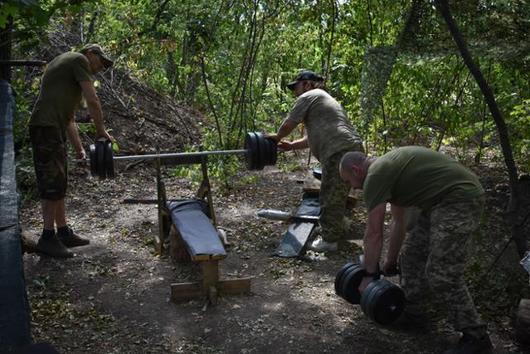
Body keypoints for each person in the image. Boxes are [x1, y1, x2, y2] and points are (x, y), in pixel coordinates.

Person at [339, 146, 492, 354]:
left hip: (460, 199)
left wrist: (368, 274)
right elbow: (398, 221)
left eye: (349, 182)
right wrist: (390, 261)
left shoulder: (375, 175)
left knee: (441, 273)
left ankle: (477, 337)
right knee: (411, 257)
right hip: (439, 202)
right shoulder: (387, 170)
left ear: (356, 170)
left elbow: (374, 233)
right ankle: (414, 312)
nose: (352, 189)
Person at [29, 44, 114, 258]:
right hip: (46, 127)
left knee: (59, 179)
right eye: (100, 62)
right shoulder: (79, 60)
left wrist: (79, 150)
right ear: (90, 54)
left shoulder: (68, 71)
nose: (101, 68)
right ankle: (47, 238)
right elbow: (93, 100)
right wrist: (101, 130)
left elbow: (69, 119)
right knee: (52, 182)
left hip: (52, 127)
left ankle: (63, 232)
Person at [268, 70, 363, 252]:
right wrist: (292, 145)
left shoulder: (309, 95)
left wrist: (277, 136)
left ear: (306, 84)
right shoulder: (324, 100)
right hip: (352, 147)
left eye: (296, 87)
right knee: (338, 193)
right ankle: (337, 227)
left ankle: (329, 241)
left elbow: (290, 122)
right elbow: (314, 137)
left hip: (339, 150)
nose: (295, 92)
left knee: (330, 195)